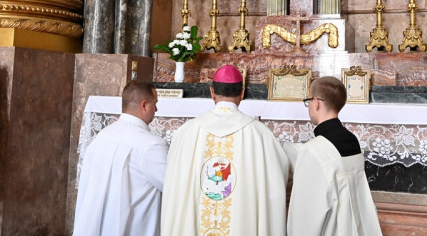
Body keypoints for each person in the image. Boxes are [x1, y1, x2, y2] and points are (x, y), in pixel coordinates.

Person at [161, 64, 290, 236]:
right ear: (242, 93)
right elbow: (277, 179)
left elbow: (174, 186)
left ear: (212, 92)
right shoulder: (260, 135)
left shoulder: (186, 132)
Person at [285, 76, 383, 236]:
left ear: (316, 102)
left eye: (308, 101)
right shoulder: (352, 140)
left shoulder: (313, 150)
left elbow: (305, 217)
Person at [73, 81, 167, 236]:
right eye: (154, 104)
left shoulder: (101, 137)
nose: (156, 109)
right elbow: (175, 187)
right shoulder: (151, 145)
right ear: (144, 105)